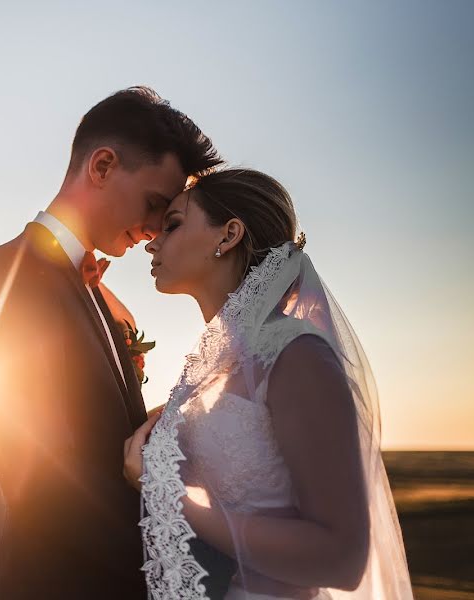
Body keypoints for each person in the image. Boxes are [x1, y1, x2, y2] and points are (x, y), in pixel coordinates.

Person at [0, 87, 236, 599]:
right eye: (155, 204)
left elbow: (102, 442)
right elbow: (39, 485)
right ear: (103, 166)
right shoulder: (8, 274)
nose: (157, 230)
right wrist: (176, 568)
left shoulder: (102, 298)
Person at [123, 168, 413, 599]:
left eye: (174, 224)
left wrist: (167, 492)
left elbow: (343, 558)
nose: (152, 241)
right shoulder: (213, 369)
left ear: (229, 234)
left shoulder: (297, 355)